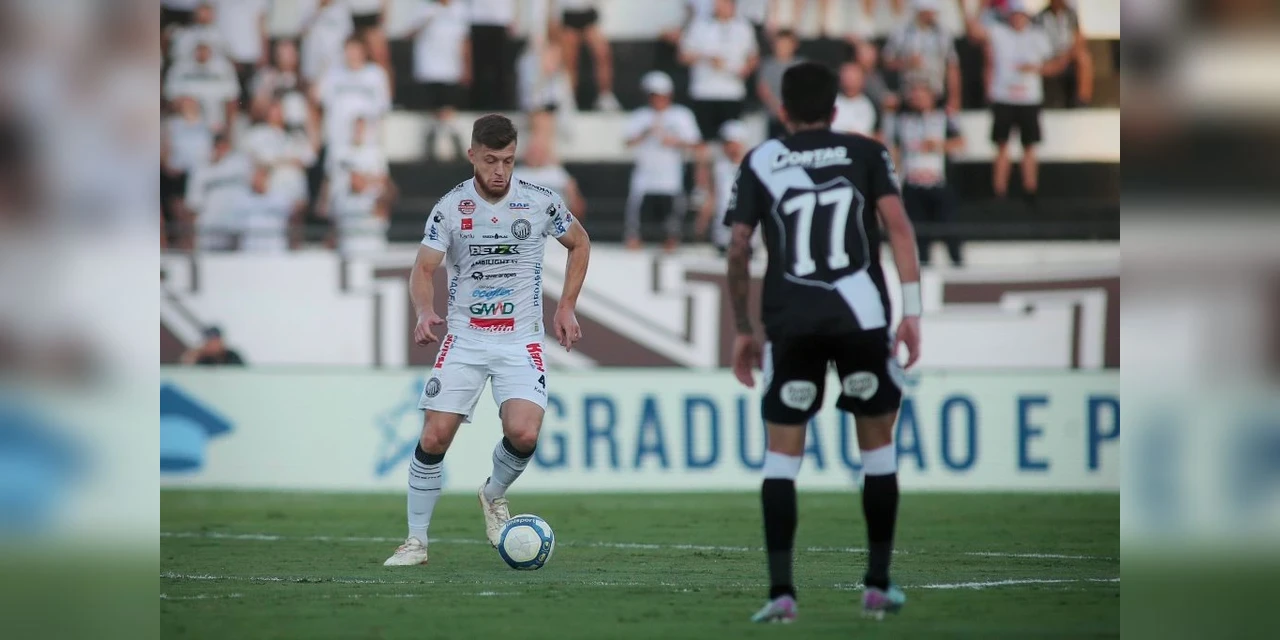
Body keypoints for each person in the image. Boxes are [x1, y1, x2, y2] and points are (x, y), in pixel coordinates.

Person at [723, 62, 922, 622]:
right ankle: (878, 584)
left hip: (793, 323)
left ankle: (781, 594)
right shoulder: (867, 152)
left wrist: (743, 328)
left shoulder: (761, 159)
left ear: (781, 110)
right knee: (878, 452)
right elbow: (900, 228)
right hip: (862, 320)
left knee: (782, 459)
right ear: (836, 109)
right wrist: (913, 314)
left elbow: (738, 248)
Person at [383, 114, 591, 567]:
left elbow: (580, 243)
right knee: (435, 437)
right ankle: (416, 541)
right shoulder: (451, 207)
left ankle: (493, 494)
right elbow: (422, 269)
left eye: (509, 161)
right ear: (472, 155)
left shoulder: (539, 201)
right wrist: (424, 310)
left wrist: (566, 305)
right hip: (465, 339)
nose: (500, 170)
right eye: (492, 160)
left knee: (524, 432)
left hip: (520, 339)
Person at [966, 0, 1069, 204]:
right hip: (1003, 97)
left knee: (1029, 146)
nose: (1017, 18)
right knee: (1002, 145)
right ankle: (999, 192)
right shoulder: (998, 32)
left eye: (1020, 14)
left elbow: (1058, 62)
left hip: (1029, 99)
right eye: (1013, 14)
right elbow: (975, 33)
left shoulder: (1038, 36)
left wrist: (1037, 69)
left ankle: (1030, 191)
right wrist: (978, 8)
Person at [886, 82, 965, 266]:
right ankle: (924, 267)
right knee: (919, 233)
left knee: (949, 229)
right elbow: (895, 150)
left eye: (922, 94)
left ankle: (957, 264)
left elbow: (960, 143)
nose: (918, 98)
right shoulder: (902, 120)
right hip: (913, 183)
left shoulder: (944, 116)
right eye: (914, 94)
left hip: (938, 182)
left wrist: (937, 145)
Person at [621, 71, 702, 252]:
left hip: (670, 171)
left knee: (674, 206)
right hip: (645, 171)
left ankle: (672, 239)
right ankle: (633, 237)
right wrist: (645, 133)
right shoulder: (640, 116)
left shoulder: (681, 115)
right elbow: (626, 142)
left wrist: (675, 141)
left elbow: (696, 142)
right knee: (635, 205)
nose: (656, 99)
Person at [407, 0, 471, 161]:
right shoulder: (423, 8)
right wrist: (425, 20)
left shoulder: (460, 9)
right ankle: (431, 143)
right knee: (433, 108)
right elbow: (408, 34)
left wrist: (466, 67)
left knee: (448, 106)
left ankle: (453, 140)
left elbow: (464, 40)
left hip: (451, 68)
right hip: (428, 68)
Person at [883, 0, 961, 115]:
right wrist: (906, 63)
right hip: (907, 96)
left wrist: (954, 99)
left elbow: (952, 67)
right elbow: (886, 61)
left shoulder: (943, 34)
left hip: (935, 96)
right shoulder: (901, 32)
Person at [696, 119, 753, 254]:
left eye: (734, 143)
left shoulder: (753, 167)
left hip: (748, 233)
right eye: (728, 144)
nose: (731, 148)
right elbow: (712, 196)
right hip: (722, 232)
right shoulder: (718, 167)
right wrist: (702, 221)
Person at [554, 0, 621, 111]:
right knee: (570, 61)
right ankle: (569, 99)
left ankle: (605, 96)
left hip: (588, 14)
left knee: (603, 54)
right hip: (569, 15)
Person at [513, 136, 587, 218]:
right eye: (532, 152)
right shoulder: (517, 173)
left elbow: (576, 203)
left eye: (538, 152)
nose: (535, 156)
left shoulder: (557, 172)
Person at [1037, 0, 1093, 107]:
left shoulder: (1071, 15)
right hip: (1047, 56)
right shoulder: (1041, 17)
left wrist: (1066, 56)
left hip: (1067, 55)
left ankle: (1083, 100)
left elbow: (1078, 38)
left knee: (1084, 59)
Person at [755, 29, 804, 140]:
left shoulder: (801, 65)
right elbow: (763, 90)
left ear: (794, 45)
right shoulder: (767, 65)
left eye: (786, 44)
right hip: (774, 117)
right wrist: (780, 111)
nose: (782, 47)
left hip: (797, 118)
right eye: (779, 44)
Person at [831, 61, 880, 137]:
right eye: (847, 77)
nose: (849, 81)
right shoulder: (831, 102)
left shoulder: (871, 104)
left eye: (853, 78)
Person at [181, 326, 246, 365]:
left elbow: (242, 373)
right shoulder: (205, 358)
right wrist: (197, 353)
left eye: (215, 340)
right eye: (209, 341)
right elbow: (188, 368)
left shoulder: (232, 356)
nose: (212, 344)